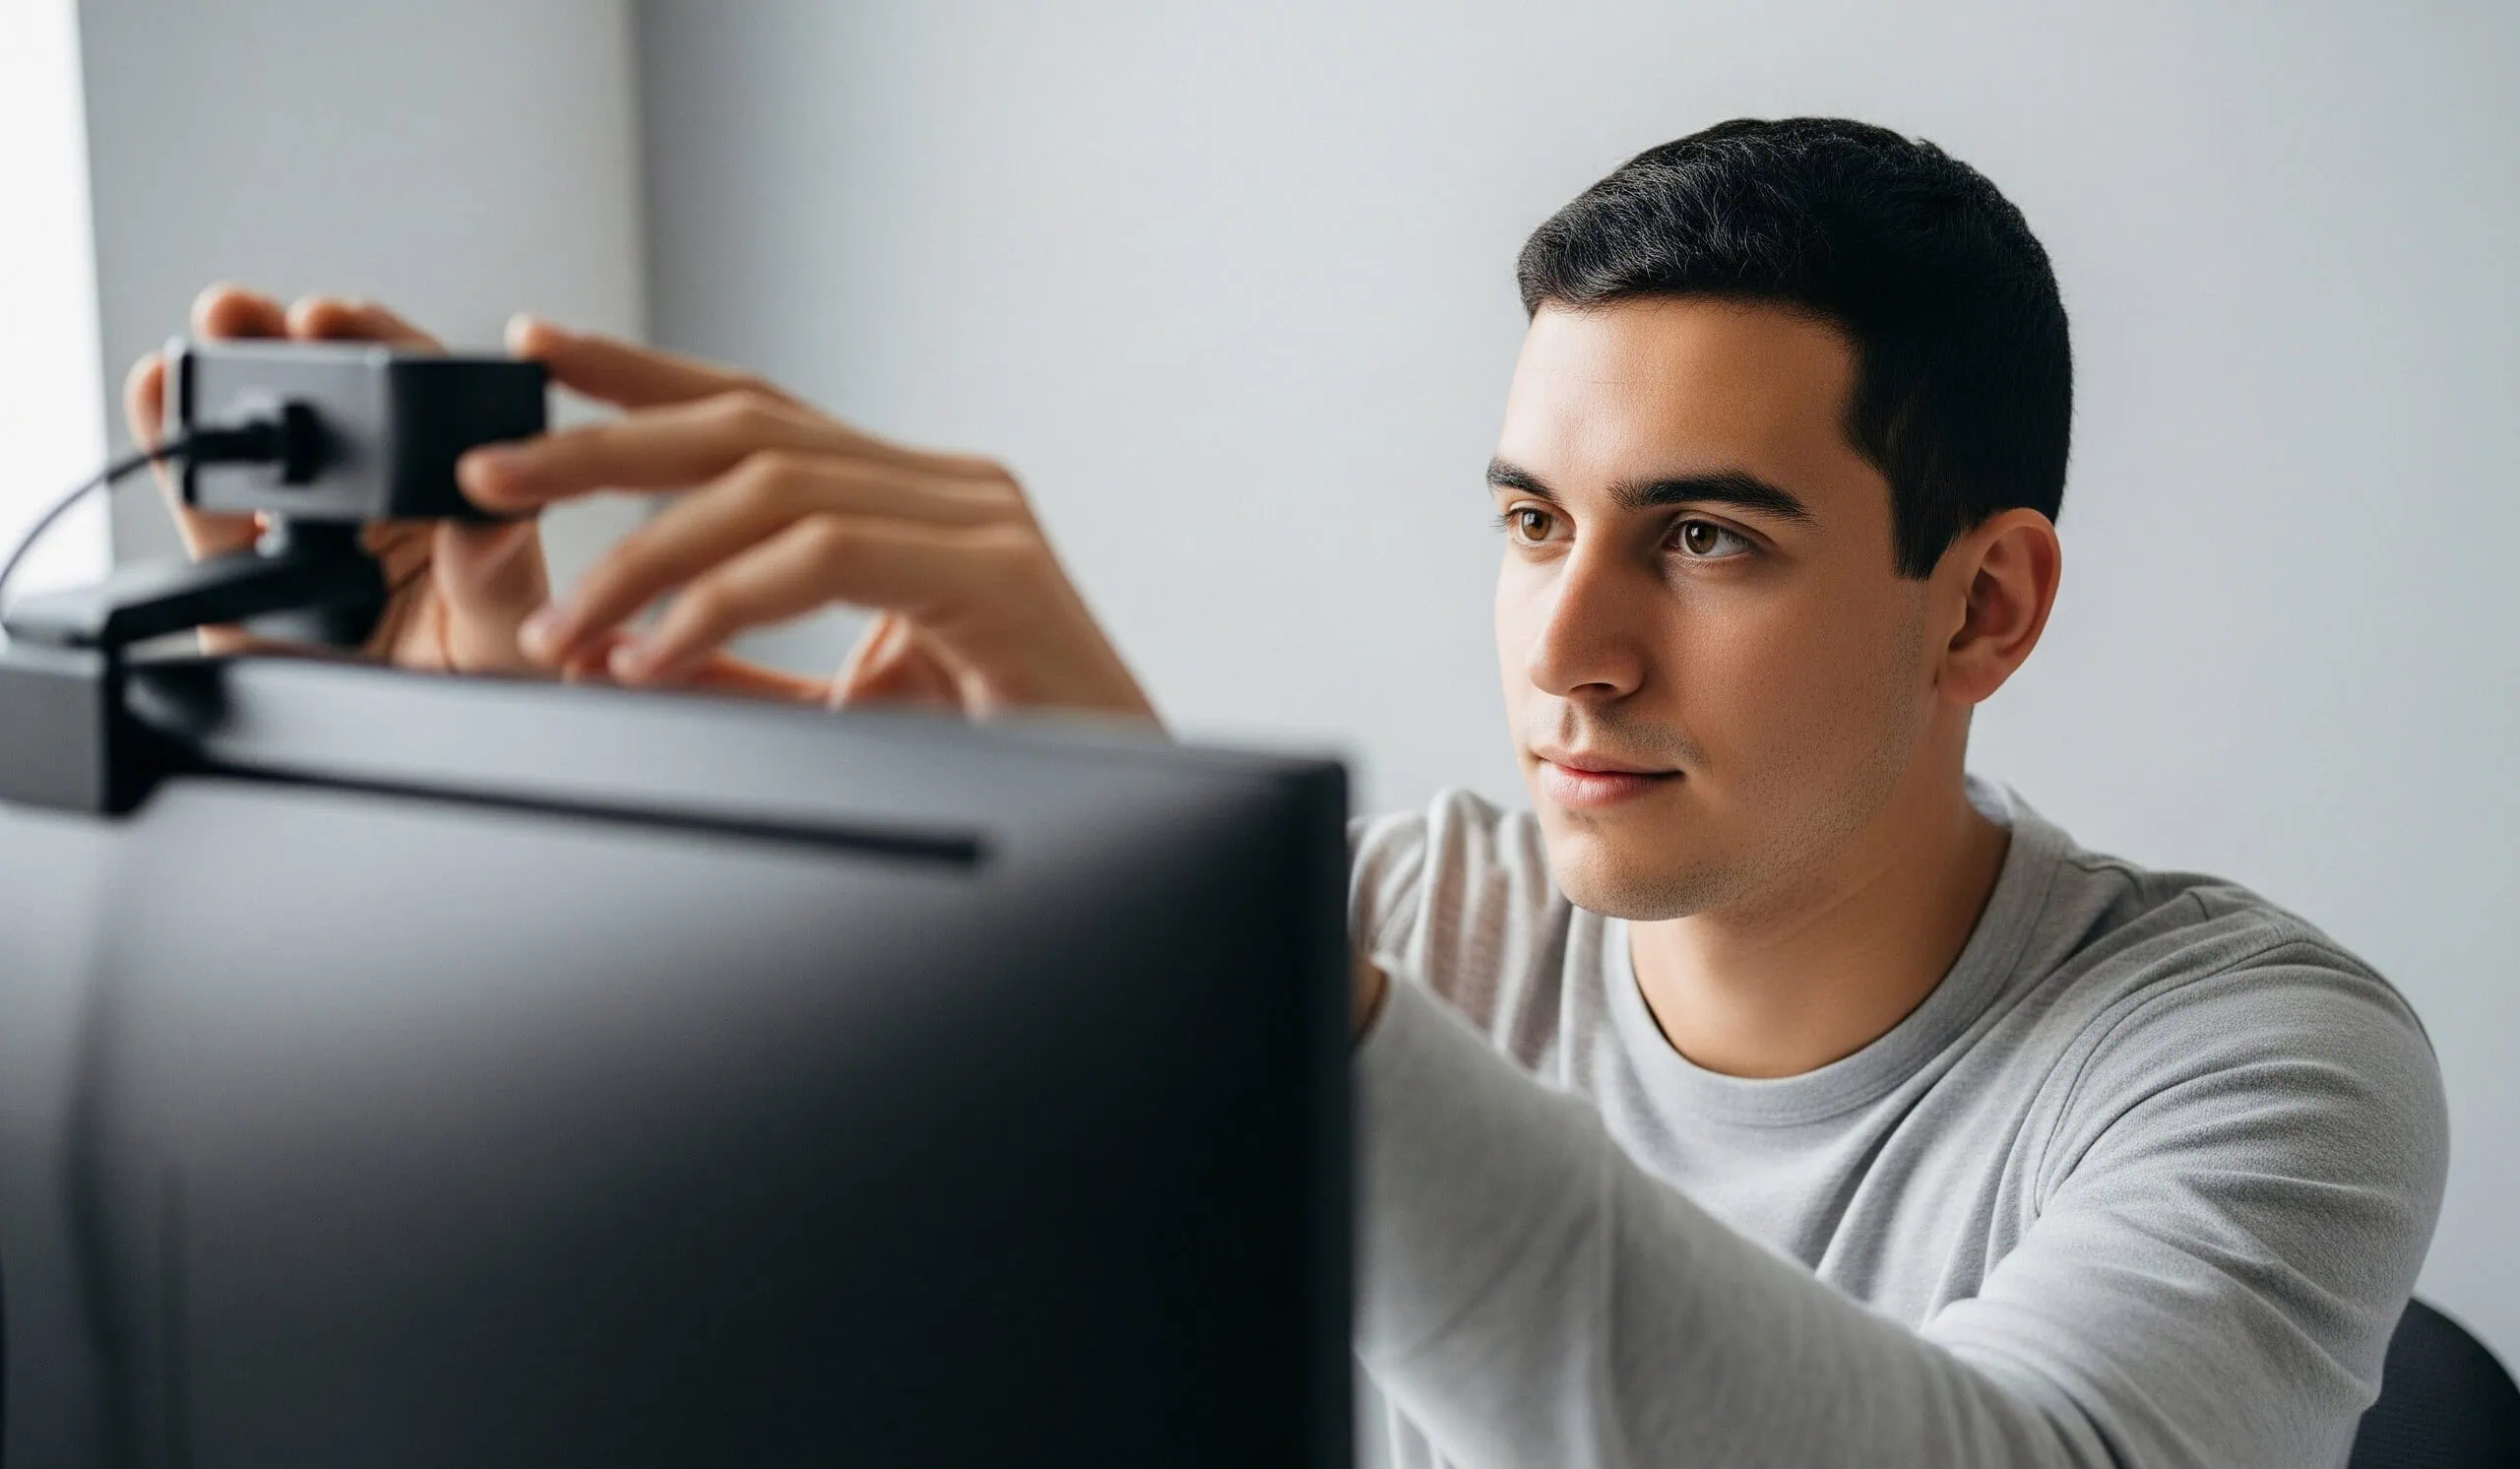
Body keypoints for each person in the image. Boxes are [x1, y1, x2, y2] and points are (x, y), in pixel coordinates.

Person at [129, 118, 2445, 1467]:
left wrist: (1218, 942)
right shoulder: (1408, 921)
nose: (1566, 643)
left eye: (1703, 534)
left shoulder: (2250, 1062)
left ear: (1982, 605)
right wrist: (471, 805)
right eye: (1532, 519)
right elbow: (737, 1282)